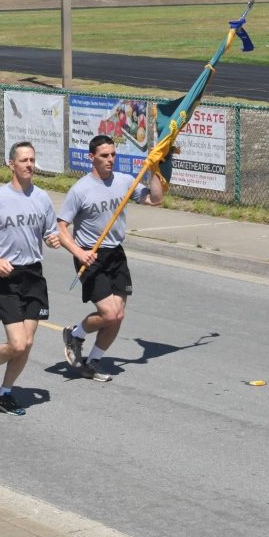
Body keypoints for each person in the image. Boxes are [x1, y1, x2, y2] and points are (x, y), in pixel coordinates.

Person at [57, 134, 164, 381]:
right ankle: (76, 334)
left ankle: (92, 361)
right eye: (104, 155)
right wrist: (79, 253)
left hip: (115, 253)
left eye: (113, 154)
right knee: (109, 314)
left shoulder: (125, 180)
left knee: (119, 316)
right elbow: (61, 228)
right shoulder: (80, 190)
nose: (110, 159)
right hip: (90, 255)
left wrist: (155, 169)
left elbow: (155, 199)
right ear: (91, 157)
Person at [0, 141, 61, 416]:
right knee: (17, 343)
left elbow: (49, 232)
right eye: (24, 160)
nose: (29, 165)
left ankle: (5, 392)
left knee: (28, 343)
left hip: (33, 274)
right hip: (5, 275)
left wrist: (52, 239)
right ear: (11, 164)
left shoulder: (42, 198)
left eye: (32, 160)